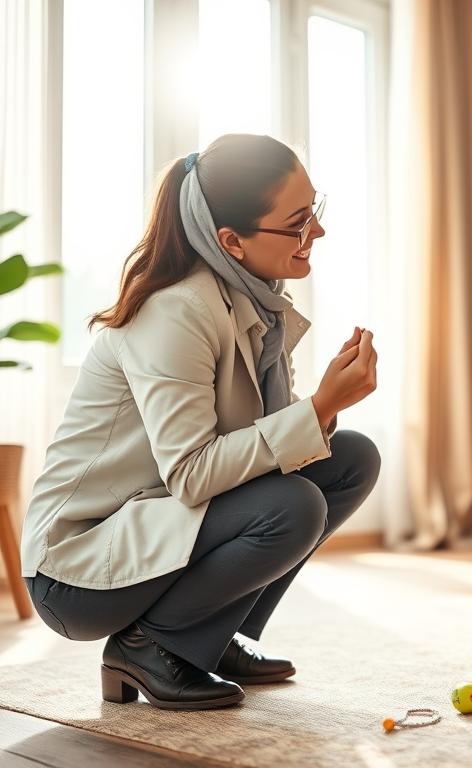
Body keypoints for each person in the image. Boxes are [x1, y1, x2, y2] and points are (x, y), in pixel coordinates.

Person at [19, 133, 380, 711]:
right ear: (231, 241)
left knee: (350, 459)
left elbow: (249, 448)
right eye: (298, 221)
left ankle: (206, 637)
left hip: (159, 520)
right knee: (294, 505)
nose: (318, 231)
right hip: (76, 571)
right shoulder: (177, 310)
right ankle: (150, 644)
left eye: (315, 209)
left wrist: (325, 411)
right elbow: (191, 472)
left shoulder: (252, 297)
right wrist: (319, 408)